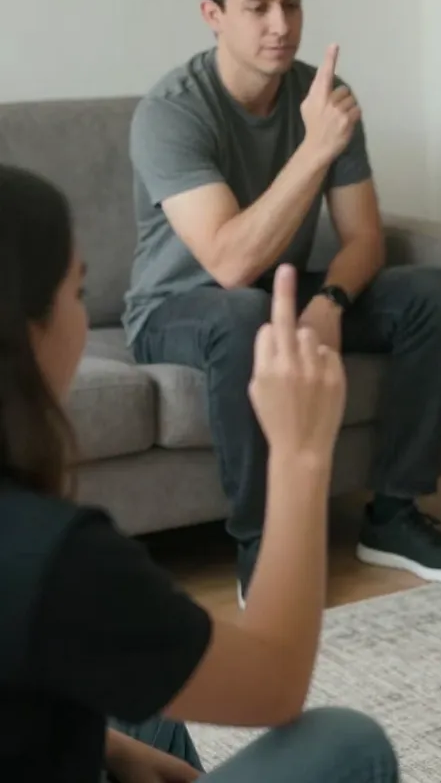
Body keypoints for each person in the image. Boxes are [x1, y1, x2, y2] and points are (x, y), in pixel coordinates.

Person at [122, 0, 441, 605]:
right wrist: (315, 149)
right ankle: (265, 546)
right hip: (177, 307)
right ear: (214, 15)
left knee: (431, 292)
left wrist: (330, 306)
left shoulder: (323, 95)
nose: (280, 25)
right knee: (244, 311)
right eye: (257, 7)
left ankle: (393, 515)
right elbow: (228, 262)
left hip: (278, 295)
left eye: (291, 4)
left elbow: (365, 239)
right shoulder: (171, 113)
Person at [0, 163, 399, 781]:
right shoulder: (50, 557)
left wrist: (116, 755)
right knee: (347, 743)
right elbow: (275, 681)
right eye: (76, 294)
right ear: (25, 334)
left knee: (142, 718)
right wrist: (299, 452)